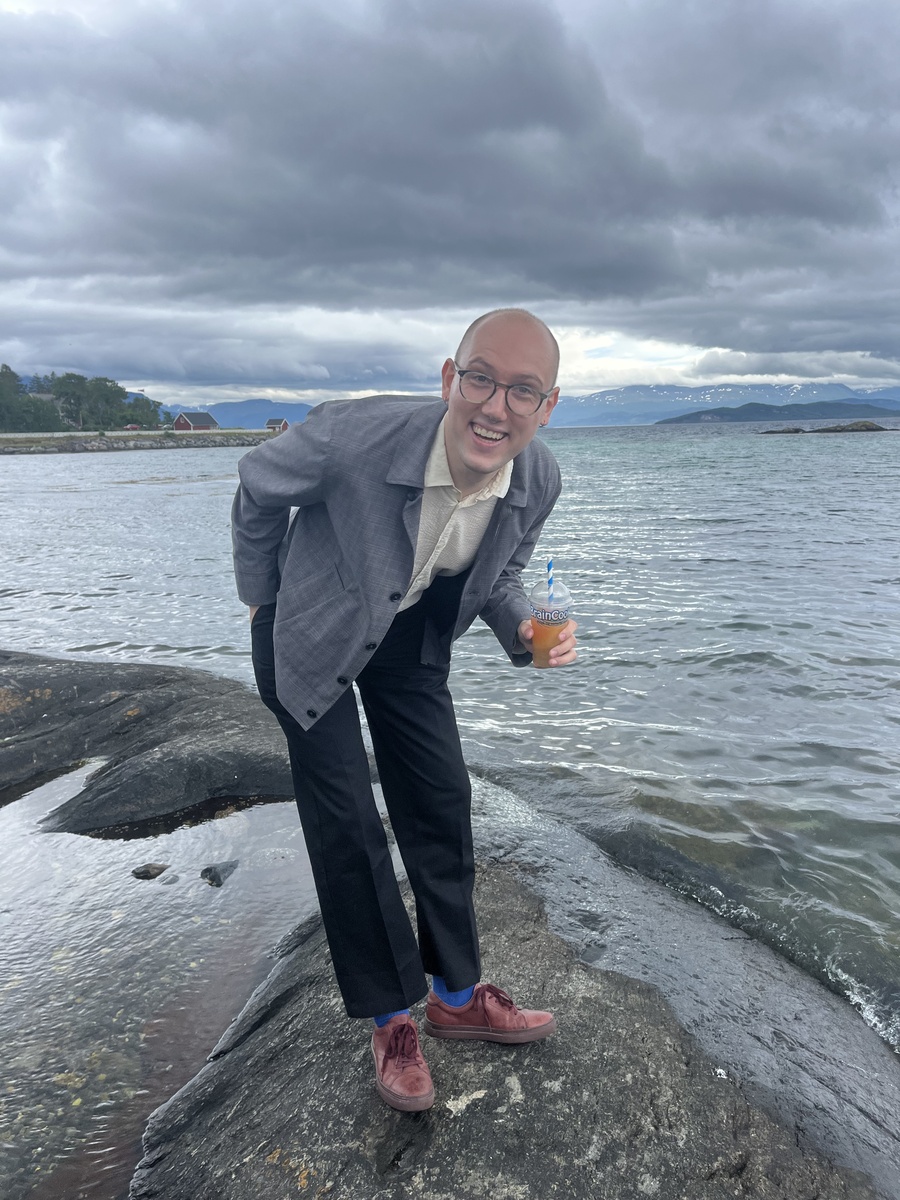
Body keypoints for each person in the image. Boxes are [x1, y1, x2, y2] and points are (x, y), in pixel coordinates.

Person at [232, 308, 577, 1112]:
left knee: (441, 797)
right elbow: (256, 484)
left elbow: (500, 576)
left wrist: (524, 631)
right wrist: (260, 599)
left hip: (411, 629)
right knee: (348, 819)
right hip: (308, 628)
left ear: (547, 406)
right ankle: (391, 1020)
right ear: (451, 378)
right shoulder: (349, 437)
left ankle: (456, 997)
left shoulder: (538, 479)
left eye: (522, 391)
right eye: (481, 379)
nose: (495, 407)